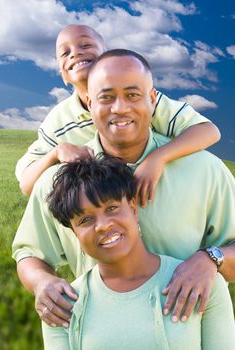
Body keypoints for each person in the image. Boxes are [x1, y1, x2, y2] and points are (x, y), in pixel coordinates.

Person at [12, 49, 235, 332]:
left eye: (132, 95)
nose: (119, 108)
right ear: (90, 103)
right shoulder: (59, 181)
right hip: (102, 334)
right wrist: (42, 282)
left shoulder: (205, 170)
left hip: (187, 334)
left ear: (152, 100)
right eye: (106, 98)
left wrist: (211, 259)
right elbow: (29, 253)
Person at [42, 156, 235, 349]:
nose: (103, 225)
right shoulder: (61, 306)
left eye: (112, 208)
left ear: (133, 208)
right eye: (85, 220)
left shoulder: (202, 283)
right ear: (75, 233)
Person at [16, 24, 220, 202]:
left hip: (160, 194)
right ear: (62, 74)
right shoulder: (58, 121)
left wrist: (157, 158)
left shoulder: (142, 99)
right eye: (65, 52)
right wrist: (56, 153)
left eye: (85, 45)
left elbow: (208, 131)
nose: (75, 53)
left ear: (107, 57)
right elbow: (26, 185)